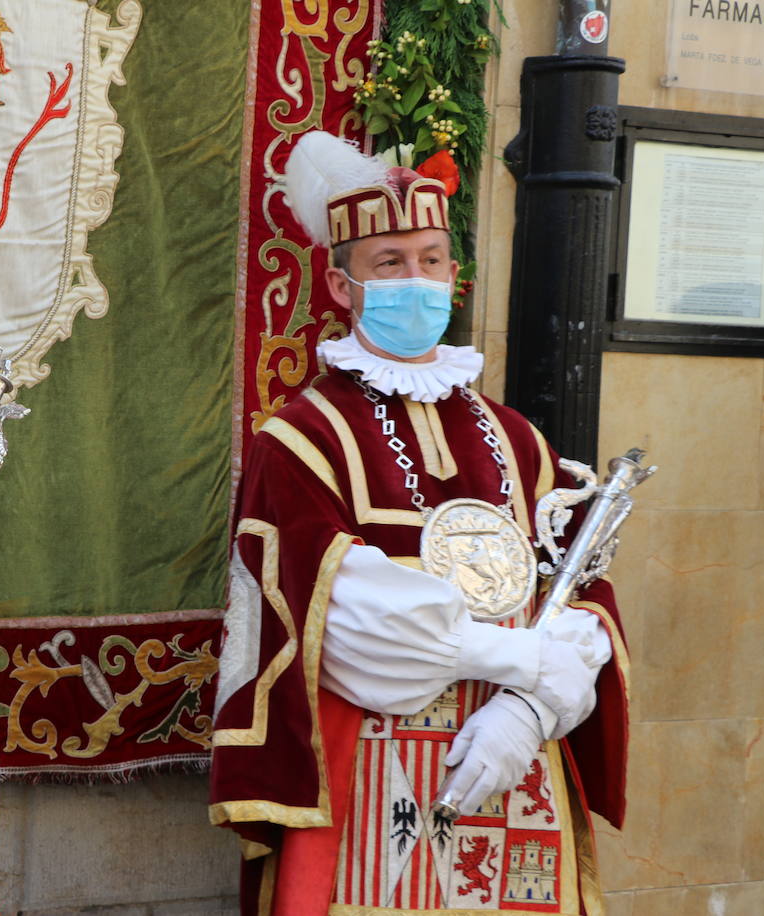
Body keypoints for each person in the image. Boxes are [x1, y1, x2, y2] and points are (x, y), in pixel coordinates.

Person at [209, 131, 628, 915]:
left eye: (432, 260)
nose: (418, 281)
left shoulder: (517, 436)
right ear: (342, 286)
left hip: (513, 768)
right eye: (390, 264)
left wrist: (529, 710)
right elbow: (344, 619)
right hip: (373, 771)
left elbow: (584, 594)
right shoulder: (302, 439)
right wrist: (527, 664)